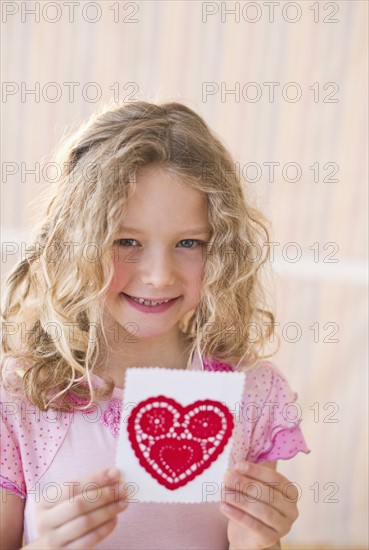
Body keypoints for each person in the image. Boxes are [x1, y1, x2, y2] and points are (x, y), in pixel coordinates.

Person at [0, 100, 310, 550]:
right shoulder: (19, 397)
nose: (159, 275)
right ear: (73, 244)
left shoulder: (254, 393)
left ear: (221, 249)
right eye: (126, 241)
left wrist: (258, 542)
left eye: (189, 242)